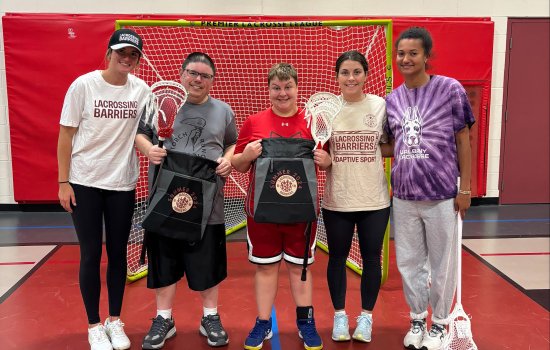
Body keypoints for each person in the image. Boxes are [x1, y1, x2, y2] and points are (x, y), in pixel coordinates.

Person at [135, 52, 237, 349]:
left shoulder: (223, 111)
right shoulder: (162, 105)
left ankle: (210, 317)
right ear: (182, 75)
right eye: (193, 73)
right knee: (164, 261)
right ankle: (164, 318)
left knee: (207, 262)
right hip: (165, 198)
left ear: (212, 81)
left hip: (208, 201)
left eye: (205, 76)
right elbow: (139, 135)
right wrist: (148, 150)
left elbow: (231, 142)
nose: (198, 80)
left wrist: (228, 160)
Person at [57, 29, 150, 350]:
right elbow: (66, 135)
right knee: (90, 253)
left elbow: (148, 131)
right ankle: (94, 325)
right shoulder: (84, 85)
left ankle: (114, 320)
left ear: (138, 60)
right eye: (122, 52)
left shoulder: (142, 91)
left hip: (122, 184)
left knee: (118, 254)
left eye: (133, 55)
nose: (127, 58)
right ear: (109, 53)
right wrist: (63, 181)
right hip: (84, 183)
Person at [384, 27, 475, 350]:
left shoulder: (449, 89)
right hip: (405, 196)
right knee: (409, 264)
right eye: (401, 54)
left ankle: (439, 323)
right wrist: (353, 141)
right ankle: (417, 318)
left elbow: (463, 139)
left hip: (442, 195)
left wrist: (466, 189)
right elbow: (391, 146)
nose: (405, 59)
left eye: (413, 53)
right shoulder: (392, 99)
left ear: (426, 57)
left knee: (442, 263)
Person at [232, 63, 323, 350]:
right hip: (263, 212)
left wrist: (328, 160)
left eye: (287, 87)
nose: (282, 93)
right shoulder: (254, 122)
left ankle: (306, 322)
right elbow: (237, 163)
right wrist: (246, 154)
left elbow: (327, 160)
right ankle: (263, 322)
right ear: (268, 90)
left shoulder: (313, 122)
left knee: (300, 269)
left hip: (301, 213)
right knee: (266, 269)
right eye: (276, 88)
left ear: (297, 88)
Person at [314, 50, 391, 344]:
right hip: (338, 200)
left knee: (372, 259)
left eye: (356, 72)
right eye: (345, 72)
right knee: (336, 259)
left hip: (374, 200)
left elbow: (389, 144)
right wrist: (326, 159)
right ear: (336, 77)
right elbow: (323, 149)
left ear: (366, 75)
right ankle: (340, 317)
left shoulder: (379, 106)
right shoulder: (327, 110)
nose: (351, 77)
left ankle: (366, 319)